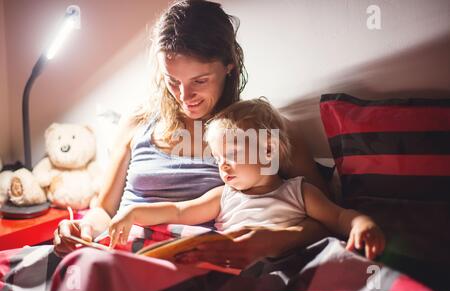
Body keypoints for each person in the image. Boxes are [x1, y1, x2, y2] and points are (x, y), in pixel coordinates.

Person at [53, 0, 332, 268]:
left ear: (228, 67)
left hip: (192, 266)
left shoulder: (260, 135)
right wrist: (84, 228)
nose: (185, 97)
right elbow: (104, 210)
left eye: (199, 80)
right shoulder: (137, 122)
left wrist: (274, 240)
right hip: (120, 252)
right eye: (172, 81)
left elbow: (325, 219)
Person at [108, 98, 385, 261]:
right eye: (217, 158)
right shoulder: (223, 195)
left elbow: (338, 218)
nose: (222, 165)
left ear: (267, 150)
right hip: (235, 269)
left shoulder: (299, 192)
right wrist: (133, 213)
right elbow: (179, 211)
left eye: (231, 154)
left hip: (289, 263)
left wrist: (364, 224)